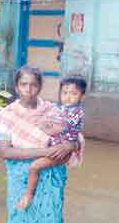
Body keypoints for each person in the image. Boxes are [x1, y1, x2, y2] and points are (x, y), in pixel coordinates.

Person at [0, 65, 80, 223]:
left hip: (50, 170)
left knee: (50, 215)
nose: (28, 89)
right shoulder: (7, 116)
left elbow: (75, 139)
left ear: (40, 87)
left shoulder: (54, 111)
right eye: (24, 84)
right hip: (21, 176)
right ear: (16, 87)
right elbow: (5, 151)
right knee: (22, 213)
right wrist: (46, 151)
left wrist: (69, 145)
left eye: (33, 85)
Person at [16, 76, 86, 210]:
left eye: (73, 93)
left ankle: (29, 196)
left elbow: (60, 127)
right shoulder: (62, 108)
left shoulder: (76, 112)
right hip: (53, 147)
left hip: (61, 151)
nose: (68, 97)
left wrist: (43, 126)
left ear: (82, 96)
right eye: (65, 93)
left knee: (34, 167)